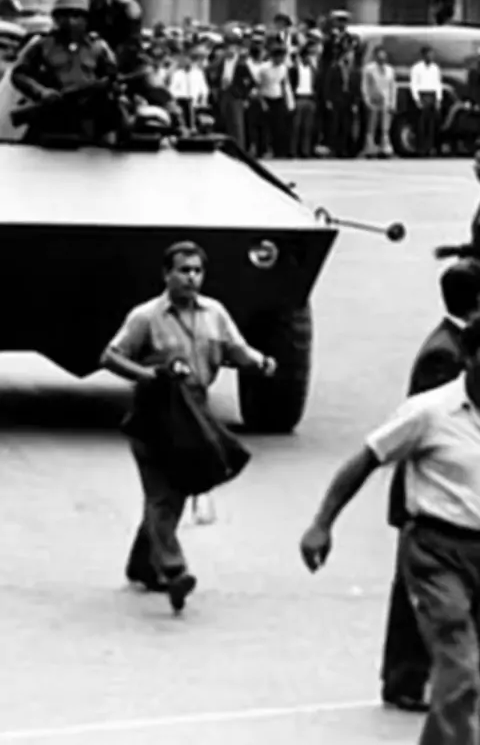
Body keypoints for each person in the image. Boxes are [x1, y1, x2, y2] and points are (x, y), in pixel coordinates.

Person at [300, 313, 480, 745]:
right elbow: (366, 459)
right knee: (459, 662)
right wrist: (322, 524)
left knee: (467, 675)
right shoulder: (429, 412)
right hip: (437, 551)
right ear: (470, 357)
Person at [100, 241, 277, 612]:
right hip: (154, 412)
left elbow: (236, 349)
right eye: (183, 270)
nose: (191, 278)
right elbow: (110, 356)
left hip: (193, 412)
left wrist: (261, 362)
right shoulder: (146, 317)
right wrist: (148, 375)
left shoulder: (214, 314)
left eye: (197, 271)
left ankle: (142, 564)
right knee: (162, 494)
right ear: (167, 275)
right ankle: (174, 570)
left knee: (176, 490)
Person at [381, 259, 480, 712]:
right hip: (433, 492)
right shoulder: (447, 354)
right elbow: (429, 426)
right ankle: (407, 679)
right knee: (414, 597)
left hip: (446, 492)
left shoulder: (452, 341)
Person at [11, 0, 120, 141]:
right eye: (64, 15)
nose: (70, 21)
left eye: (76, 15)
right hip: (50, 119)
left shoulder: (98, 47)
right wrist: (41, 92)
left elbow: (112, 77)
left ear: (86, 18)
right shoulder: (41, 44)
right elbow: (19, 74)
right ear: (55, 18)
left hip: (88, 121)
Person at [66, 0, 143, 74]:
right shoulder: (73, 8)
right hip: (85, 65)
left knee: (153, 84)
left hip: (128, 67)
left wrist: (110, 69)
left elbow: (130, 46)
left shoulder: (127, 8)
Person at [362, 46, 396, 159]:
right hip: (374, 100)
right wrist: (367, 99)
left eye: (384, 56)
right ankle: (370, 147)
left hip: (386, 101)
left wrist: (393, 103)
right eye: (379, 56)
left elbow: (392, 87)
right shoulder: (369, 69)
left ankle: (385, 147)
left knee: (385, 126)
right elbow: (365, 85)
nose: (382, 58)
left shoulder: (390, 70)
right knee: (372, 124)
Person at [410, 47, 442, 157]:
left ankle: (430, 148)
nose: (431, 57)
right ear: (423, 55)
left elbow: (438, 84)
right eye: (429, 54)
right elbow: (414, 84)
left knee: (431, 124)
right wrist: (417, 99)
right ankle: (420, 148)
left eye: (432, 54)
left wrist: (438, 99)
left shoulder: (435, 68)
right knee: (421, 124)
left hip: (432, 95)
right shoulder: (416, 68)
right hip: (422, 94)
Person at [289, 44, 319, 158]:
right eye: (308, 56)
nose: (309, 58)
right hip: (299, 97)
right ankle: (293, 150)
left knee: (308, 126)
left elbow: (316, 84)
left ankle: (305, 151)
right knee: (296, 126)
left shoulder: (313, 69)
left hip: (309, 98)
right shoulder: (295, 69)